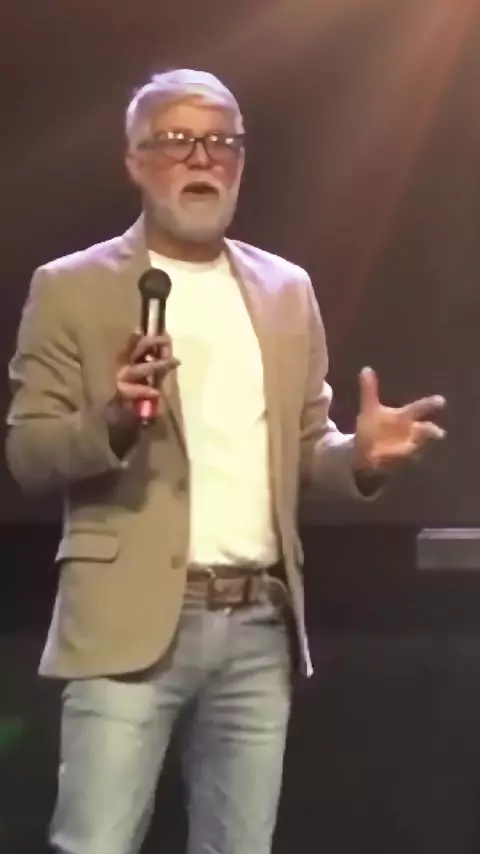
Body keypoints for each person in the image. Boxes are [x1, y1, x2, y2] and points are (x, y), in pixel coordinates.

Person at [6, 69, 446, 854]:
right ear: (136, 161)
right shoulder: (70, 287)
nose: (202, 157)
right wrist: (111, 421)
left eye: (222, 142)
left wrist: (361, 459)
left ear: (241, 162)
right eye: (177, 140)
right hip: (126, 621)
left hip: (257, 625)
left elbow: (307, 452)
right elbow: (29, 454)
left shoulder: (285, 290)